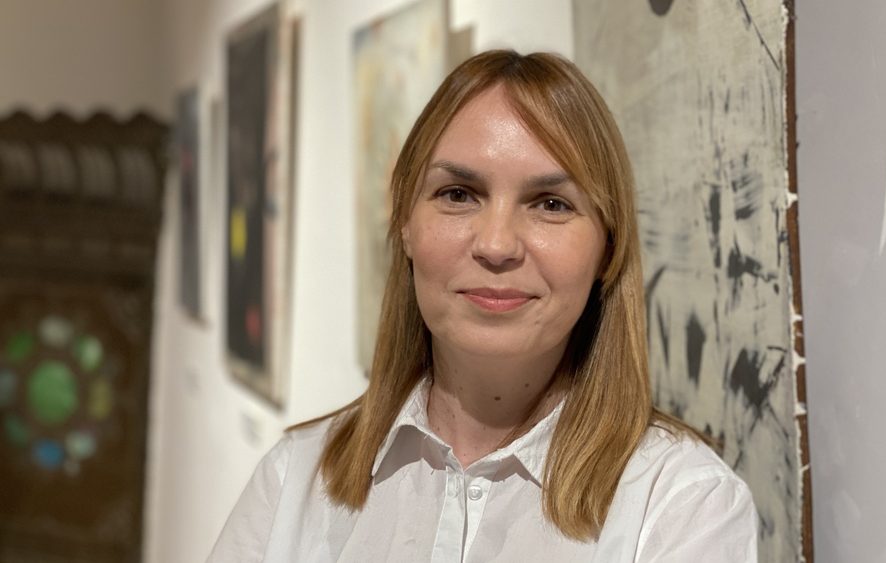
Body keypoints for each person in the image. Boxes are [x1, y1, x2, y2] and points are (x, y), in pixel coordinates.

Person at [208, 50, 757, 562]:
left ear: (607, 249)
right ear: (405, 224)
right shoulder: (296, 478)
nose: (496, 245)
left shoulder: (683, 504)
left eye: (551, 204)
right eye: (458, 194)